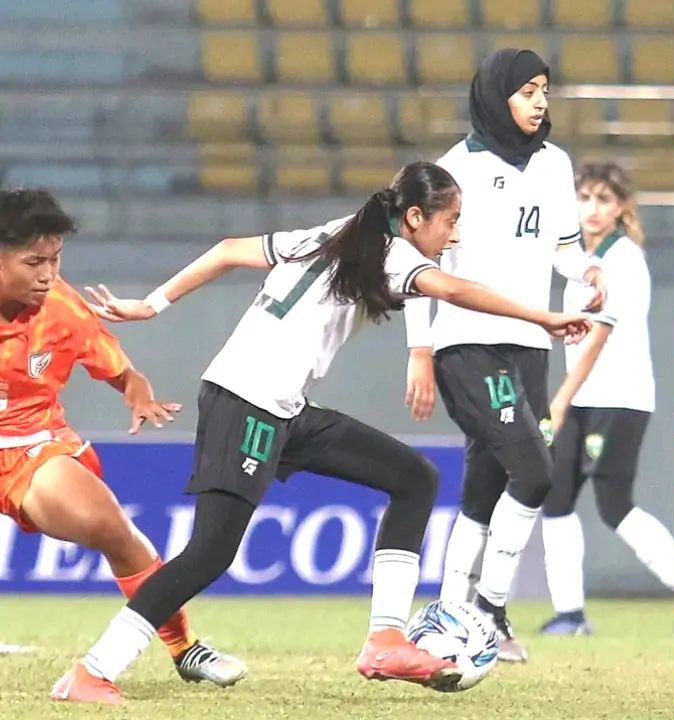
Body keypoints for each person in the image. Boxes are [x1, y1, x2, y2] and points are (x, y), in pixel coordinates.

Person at [52, 162, 592, 704]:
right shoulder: (391, 253)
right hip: (248, 402)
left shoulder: (331, 232)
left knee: (413, 478)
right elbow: (452, 290)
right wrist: (541, 318)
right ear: (413, 217)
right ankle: (92, 670)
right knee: (211, 551)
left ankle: (384, 639)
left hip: (282, 406)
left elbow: (225, 250)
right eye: (450, 220)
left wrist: (152, 304)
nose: (455, 234)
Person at [401, 48, 606, 663]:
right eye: (527, 91)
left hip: (528, 345)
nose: (541, 101)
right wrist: (420, 349)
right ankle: (489, 606)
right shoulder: (453, 169)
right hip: (467, 344)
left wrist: (588, 268)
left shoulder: (554, 163)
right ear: (496, 96)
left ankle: (448, 614)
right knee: (537, 472)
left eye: (545, 89)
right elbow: (417, 265)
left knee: (484, 485)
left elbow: (564, 251)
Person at [0, 189, 245, 695]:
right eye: (34, 262)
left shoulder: (61, 308)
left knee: (111, 528)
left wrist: (138, 394)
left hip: (28, 446)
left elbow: (120, 371)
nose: (48, 274)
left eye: (55, 259)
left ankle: (184, 646)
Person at [538, 162, 674, 636]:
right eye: (584, 198)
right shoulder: (578, 262)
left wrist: (559, 401)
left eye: (603, 199)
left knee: (614, 504)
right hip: (584, 398)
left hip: (620, 398)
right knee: (555, 499)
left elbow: (598, 337)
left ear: (621, 207)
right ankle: (570, 615)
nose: (592, 210)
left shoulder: (624, 260)